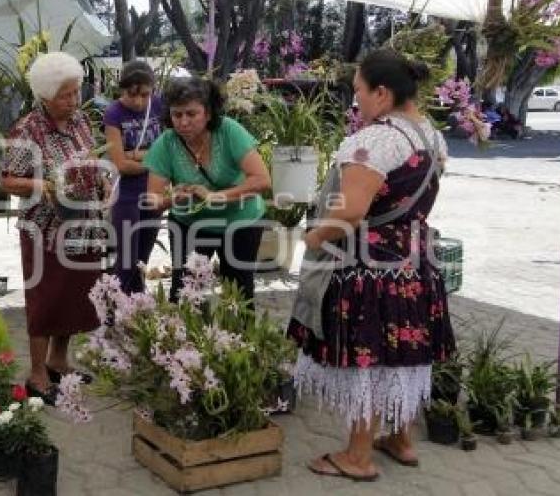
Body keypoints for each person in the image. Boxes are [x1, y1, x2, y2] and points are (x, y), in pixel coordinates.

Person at [288, 49, 456, 481]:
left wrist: (314, 236)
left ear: (382, 93)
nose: (356, 100)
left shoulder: (375, 140)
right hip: (415, 262)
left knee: (372, 359)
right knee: (403, 351)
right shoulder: (429, 136)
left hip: (370, 269)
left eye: (359, 91)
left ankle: (357, 458)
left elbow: (350, 212)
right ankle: (399, 440)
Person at [0, 52, 107, 404]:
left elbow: (90, 160)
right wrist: (43, 187)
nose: (74, 101)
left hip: (85, 224)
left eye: (76, 92)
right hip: (46, 229)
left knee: (74, 297)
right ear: (45, 96)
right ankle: (37, 372)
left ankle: (59, 360)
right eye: (66, 95)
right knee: (46, 299)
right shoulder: (27, 129)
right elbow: (7, 180)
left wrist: (103, 184)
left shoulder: (79, 122)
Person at [144, 77, 270, 305]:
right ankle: (187, 339)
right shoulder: (166, 143)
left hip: (240, 221)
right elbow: (153, 200)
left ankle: (237, 340)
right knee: (185, 292)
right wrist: (172, 198)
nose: (183, 122)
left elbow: (262, 180)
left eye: (191, 114)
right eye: (177, 115)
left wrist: (215, 197)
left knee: (238, 294)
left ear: (208, 113)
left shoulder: (229, 131)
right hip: (190, 223)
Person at [103, 60, 164, 292]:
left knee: (142, 259)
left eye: (145, 95)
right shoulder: (114, 113)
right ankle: (117, 312)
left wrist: (136, 155)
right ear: (122, 89)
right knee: (126, 261)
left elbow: (170, 148)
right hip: (127, 194)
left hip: (153, 191)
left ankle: (138, 312)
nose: (139, 101)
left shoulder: (159, 106)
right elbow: (121, 164)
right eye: (132, 94)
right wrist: (155, 159)